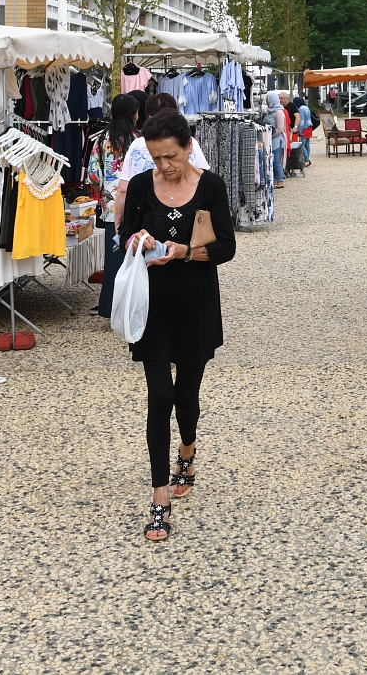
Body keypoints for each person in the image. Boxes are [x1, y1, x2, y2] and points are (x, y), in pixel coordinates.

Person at [117, 109, 236, 543]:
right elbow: (126, 234)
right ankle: (159, 498)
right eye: (155, 158)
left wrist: (185, 251)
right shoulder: (141, 188)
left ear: (188, 146)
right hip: (151, 307)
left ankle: (187, 450)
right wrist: (140, 240)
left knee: (186, 397)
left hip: (196, 303)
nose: (164, 166)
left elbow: (225, 247)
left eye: (171, 156)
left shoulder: (211, 186)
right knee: (159, 396)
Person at [93, 92, 144, 319]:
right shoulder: (140, 140)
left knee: (113, 259)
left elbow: (94, 175)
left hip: (111, 206)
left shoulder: (102, 139)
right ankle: (134, 308)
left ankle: (109, 308)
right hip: (137, 204)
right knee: (137, 256)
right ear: (133, 114)